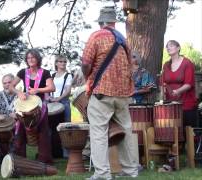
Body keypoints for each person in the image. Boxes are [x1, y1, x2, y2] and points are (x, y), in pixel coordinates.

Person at [81, 7, 138, 179]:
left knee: (98, 133)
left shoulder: (96, 36)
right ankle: (131, 171)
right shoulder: (123, 40)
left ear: (101, 22)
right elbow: (131, 66)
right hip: (122, 94)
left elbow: (85, 63)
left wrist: (87, 77)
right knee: (126, 132)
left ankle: (103, 174)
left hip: (101, 92)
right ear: (114, 22)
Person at [10, 48, 55, 164]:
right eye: (28, 58)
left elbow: (51, 87)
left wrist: (37, 90)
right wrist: (19, 93)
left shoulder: (45, 73)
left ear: (37, 59)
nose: (30, 60)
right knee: (20, 131)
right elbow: (11, 86)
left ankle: (44, 160)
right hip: (25, 106)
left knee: (43, 132)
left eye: (33, 57)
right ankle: (19, 159)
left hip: (40, 107)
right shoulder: (22, 72)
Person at [162, 40, 198, 127]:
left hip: (186, 104)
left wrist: (178, 91)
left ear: (178, 48)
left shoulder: (187, 63)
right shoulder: (166, 65)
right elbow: (163, 83)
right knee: (173, 133)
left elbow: (189, 84)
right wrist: (163, 93)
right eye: (167, 46)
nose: (168, 47)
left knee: (188, 134)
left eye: (171, 45)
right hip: (171, 104)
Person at [50, 55, 73, 122]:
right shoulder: (52, 75)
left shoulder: (68, 75)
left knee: (66, 126)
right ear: (56, 63)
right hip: (52, 102)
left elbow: (68, 91)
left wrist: (58, 98)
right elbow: (48, 88)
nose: (63, 63)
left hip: (64, 102)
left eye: (65, 62)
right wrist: (49, 97)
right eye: (61, 61)